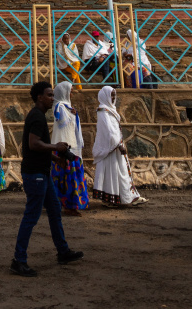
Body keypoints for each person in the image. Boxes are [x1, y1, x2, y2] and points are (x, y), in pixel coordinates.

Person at [11, 81, 84, 277]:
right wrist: (56, 148)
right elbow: (34, 144)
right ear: (39, 97)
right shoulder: (36, 117)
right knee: (31, 217)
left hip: (42, 172)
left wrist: (54, 159)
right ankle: (19, 260)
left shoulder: (39, 116)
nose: (53, 98)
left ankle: (63, 251)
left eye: (53, 95)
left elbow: (35, 146)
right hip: (35, 174)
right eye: (49, 95)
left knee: (54, 211)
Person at [92, 86, 148, 207]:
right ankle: (113, 199)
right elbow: (108, 131)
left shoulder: (110, 110)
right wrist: (118, 145)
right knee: (112, 173)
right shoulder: (103, 111)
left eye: (114, 95)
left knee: (120, 172)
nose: (113, 98)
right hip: (110, 148)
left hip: (115, 146)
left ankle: (129, 197)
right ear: (104, 96)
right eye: (111, 95)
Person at [51, 81, 89, 216]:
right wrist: (71, 112)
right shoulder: (59, 107)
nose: (72, 93)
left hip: (72, 147)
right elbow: (62, 120)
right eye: (70, 91)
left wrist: (74, 113)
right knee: (65, 178)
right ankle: (67, 205)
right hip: (62, 148)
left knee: (72, 178)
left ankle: (71, 204)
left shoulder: (67, 108)